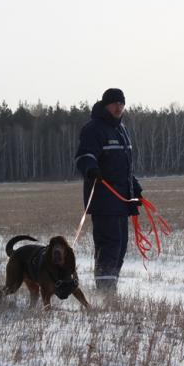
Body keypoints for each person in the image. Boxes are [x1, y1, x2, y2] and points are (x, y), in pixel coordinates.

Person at [74, 88, 142, 295]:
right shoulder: (93, 129)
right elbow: (84, 156)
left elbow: (124, 166)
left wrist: (135, 188)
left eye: (121, 103)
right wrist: (91, 168)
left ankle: (110, 288)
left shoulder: (121, 129)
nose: (118, 107)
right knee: (109, 246)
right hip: (104, 199)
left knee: (120, 247)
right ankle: (105, 293)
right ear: (106, 105)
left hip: (121, 201)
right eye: (114, 103)